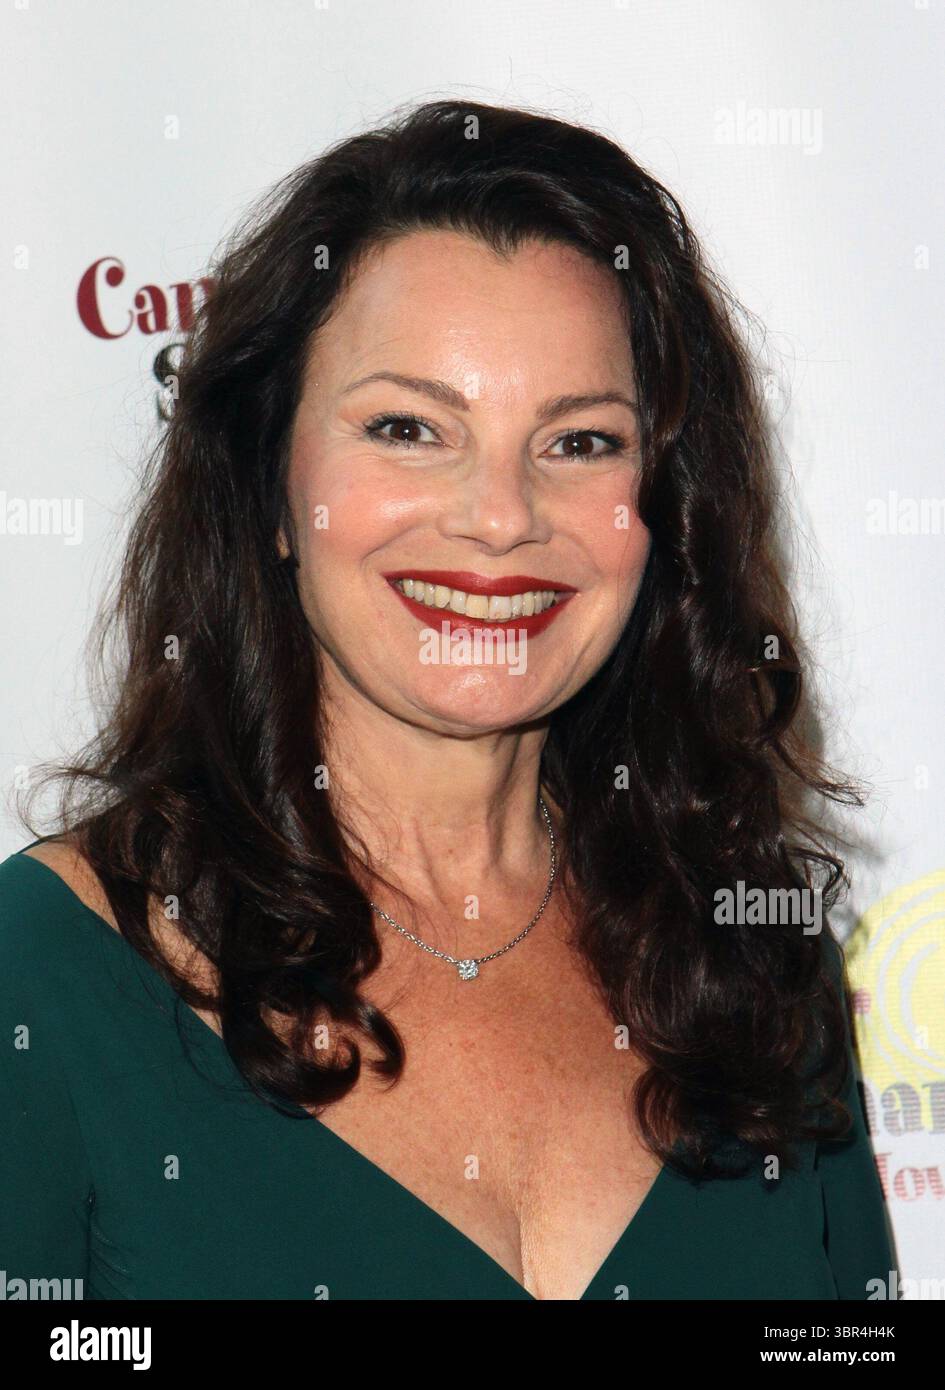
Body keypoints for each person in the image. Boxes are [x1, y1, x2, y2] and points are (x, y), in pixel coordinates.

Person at [0, 98, 895, 1300]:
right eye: (409, 427)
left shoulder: (746, 947)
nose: (501, 517)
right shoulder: (45, 976)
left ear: (665, 508)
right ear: (269, 487)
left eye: (580, 441)